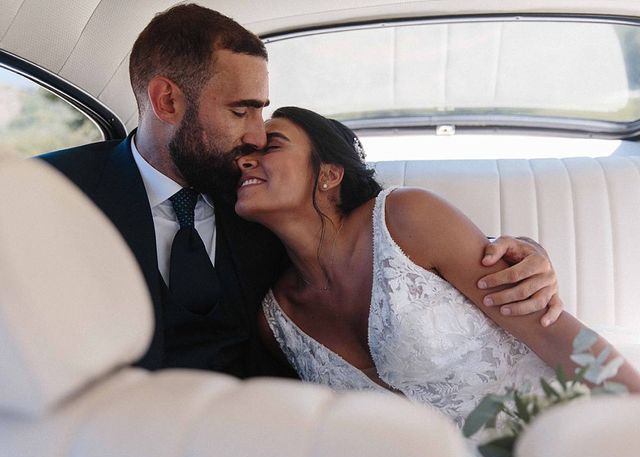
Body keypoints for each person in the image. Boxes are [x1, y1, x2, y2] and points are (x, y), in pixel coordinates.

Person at [39, 4, 560, 377]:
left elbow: (366, 243)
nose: (257, 133)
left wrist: (516, 256)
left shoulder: (260, 202)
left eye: (263, 110)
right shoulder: (47, 195)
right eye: (241, 109)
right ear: (167, 101)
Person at [234, 106, 640, 425]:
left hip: (555, 438)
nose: (245, 162)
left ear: (329, 174)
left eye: (271, 146)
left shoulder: (405, 217)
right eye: (244, 154)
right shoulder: (276, 321)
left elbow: (555, 336)